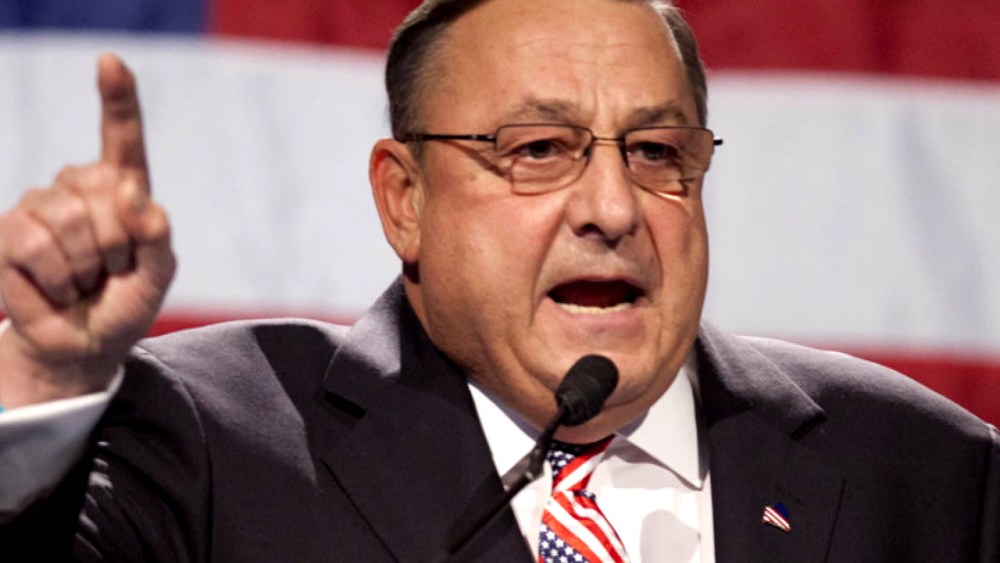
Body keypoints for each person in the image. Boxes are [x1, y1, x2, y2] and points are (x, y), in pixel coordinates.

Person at [0, 0, 996, 561]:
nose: (612, 205)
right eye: (537, 149)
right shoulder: (218, 442)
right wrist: (40, 376)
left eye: (656, 151)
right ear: (404, 199)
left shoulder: (925, 470)